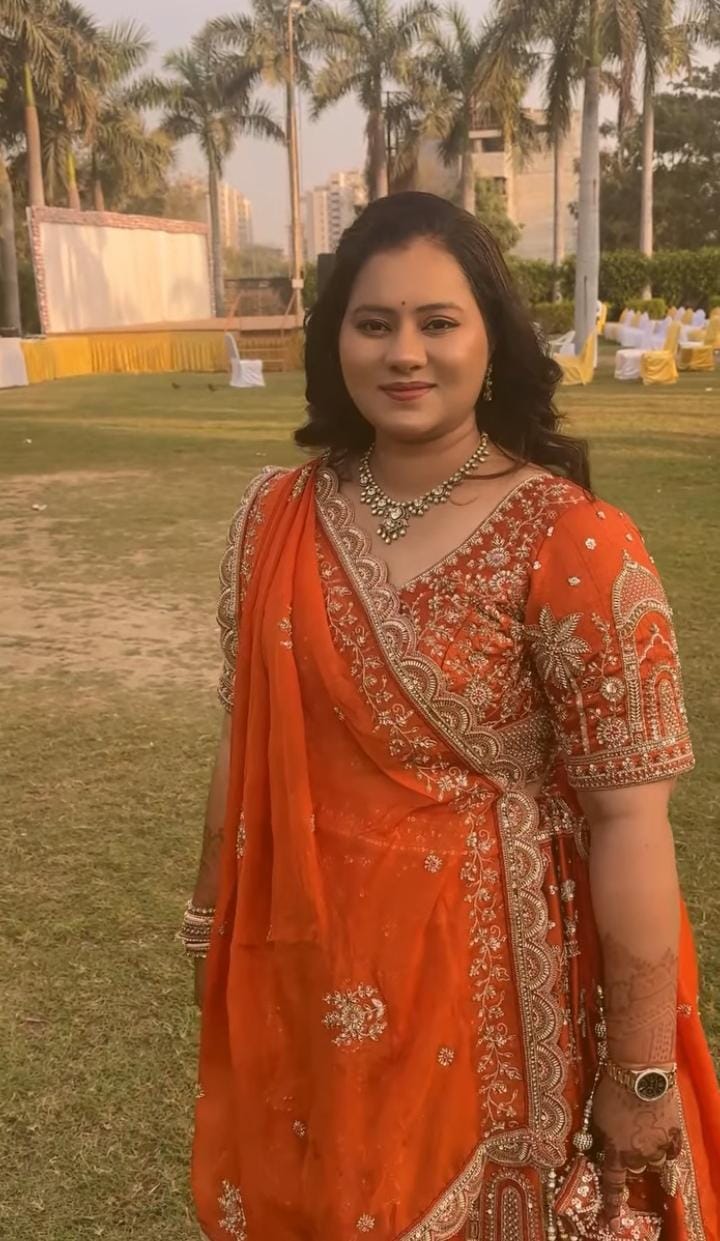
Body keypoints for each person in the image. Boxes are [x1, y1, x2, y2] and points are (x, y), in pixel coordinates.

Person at [184, 192, 720, 1241]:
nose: (404, 353)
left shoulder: (574, 540)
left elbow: (630, 820)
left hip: (494, 1007)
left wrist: (641, 1068)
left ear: (492, 339)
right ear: (334, 338)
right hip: (308, 966)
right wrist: (213, 926)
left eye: (438, 321)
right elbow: (243, 737)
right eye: (372, 322)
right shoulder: (273, 517)